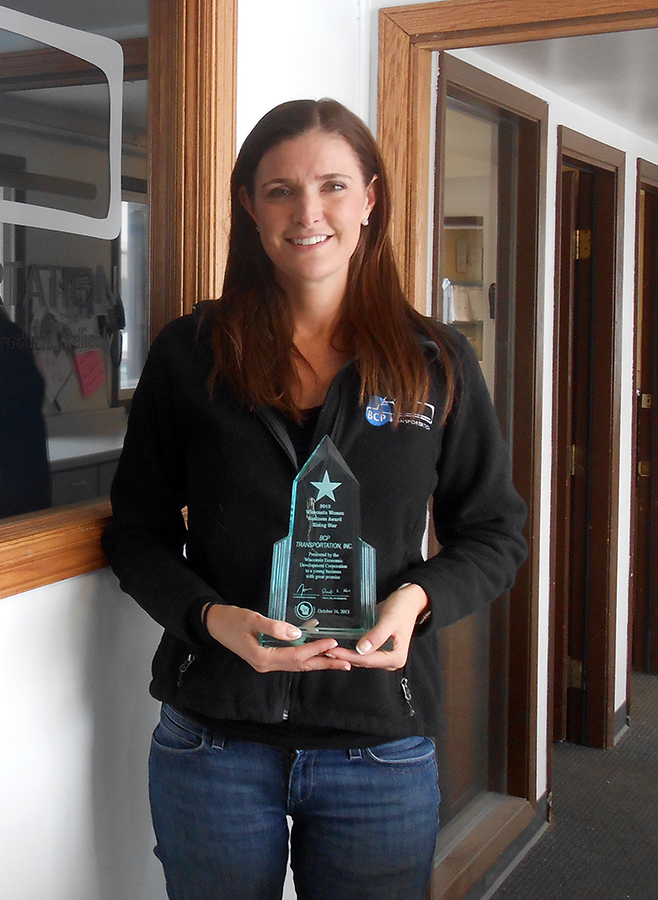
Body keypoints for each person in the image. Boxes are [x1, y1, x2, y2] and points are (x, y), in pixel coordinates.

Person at [102, 98, 528, 900]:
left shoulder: (434, 361)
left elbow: (494, 532)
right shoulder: (190, 355)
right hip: (214, 740)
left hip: (377, 744)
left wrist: (416, 601)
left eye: (332, 185)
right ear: (249, 205)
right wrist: (208, 618)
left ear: (369, 199)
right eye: (280, 190)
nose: (307, 213)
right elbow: (136, 532)